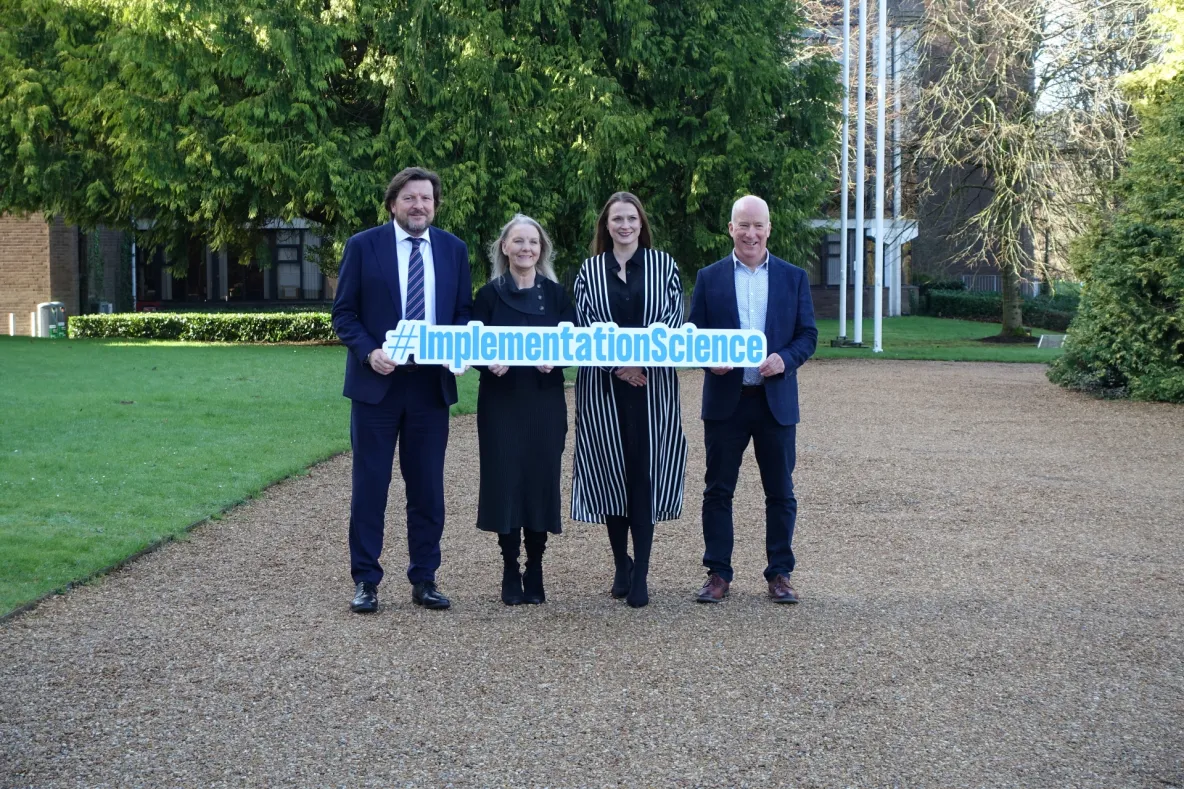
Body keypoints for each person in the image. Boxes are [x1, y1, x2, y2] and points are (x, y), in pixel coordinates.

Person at [331, 166, 472, 613]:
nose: (419, 206)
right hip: (377, 386)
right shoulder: (362, 246)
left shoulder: (453, 250)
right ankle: (366, 580)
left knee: (428, 488)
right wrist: (369, 352)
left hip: (430, 387)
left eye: (426, 199)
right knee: (370, 485)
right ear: (393, 203)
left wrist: (459, 348)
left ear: (435, 205)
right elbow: (344, 314)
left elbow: (463, 314)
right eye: (410, 198)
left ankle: (425, 578)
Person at [687, 194, 817, 604]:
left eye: (758, 225)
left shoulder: (793, 277)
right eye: (743, 225)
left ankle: (780, 573)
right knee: (718, 490)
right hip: (727, 400)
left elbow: (808, 335)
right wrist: (711, 363)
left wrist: (786, 359)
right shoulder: (709, 277)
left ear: (769, 229)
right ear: (730, 229)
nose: (751, 233)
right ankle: (718, 573)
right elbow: (694, 334)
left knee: (780, 491)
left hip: (774, 401)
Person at [570, 192, 688, 608]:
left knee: (644, 473)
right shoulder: (589, 271)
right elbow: (583, 325)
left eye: (631, 218)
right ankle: (622, 561)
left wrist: (642, 363)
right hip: (603, 388)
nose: (624, 225)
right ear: (606, 225)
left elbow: (674, 321)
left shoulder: (664, 266)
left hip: (652, 388)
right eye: (616, 219)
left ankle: (643, 574)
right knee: (610, 471)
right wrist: (618, 366)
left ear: (641, 224)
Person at [472, 215, 575, 605]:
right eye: (518, 241)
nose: (525, 248)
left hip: (544, 400)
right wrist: (486, 362)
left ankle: (535, 566)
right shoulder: (488, 295)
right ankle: (509, 567)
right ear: (505, 247)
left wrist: (557, 358)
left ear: (541, 249)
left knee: (539, 480)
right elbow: (471, 343)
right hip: (501, 401)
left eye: (532, 242)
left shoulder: (556, 295)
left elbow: (573, 343)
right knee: (505, 481)